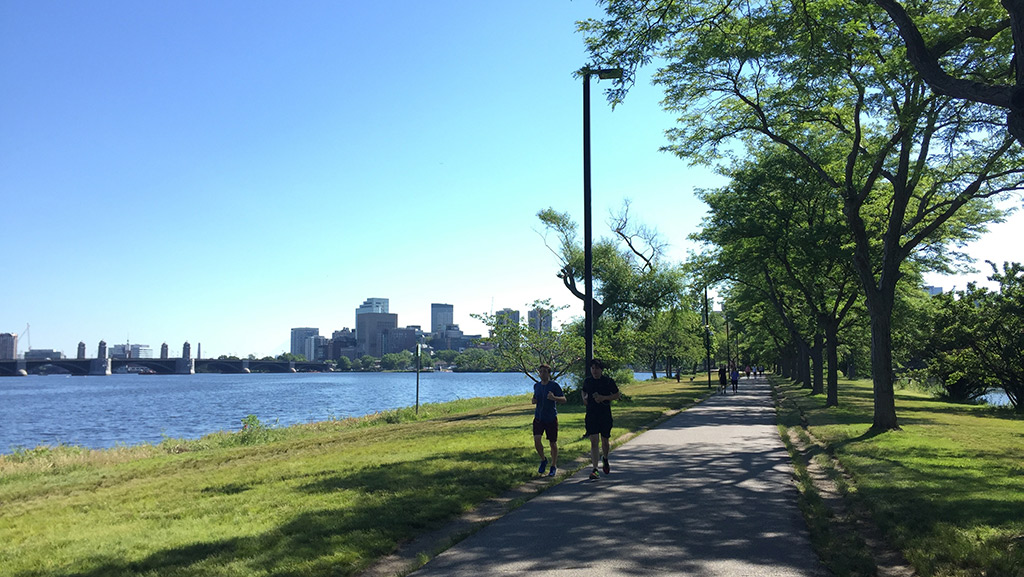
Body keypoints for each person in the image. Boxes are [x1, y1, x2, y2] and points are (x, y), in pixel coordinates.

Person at [582, 359, 620, 480]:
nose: (595, 371)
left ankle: (605, 458)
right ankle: (594, 469)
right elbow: (583, 391)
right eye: (592, 368)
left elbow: (617, 395)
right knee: (594, 441)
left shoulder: (608, 381)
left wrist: (604, 397)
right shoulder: (587, 381)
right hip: (591, 414)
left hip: (604, 415)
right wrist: (585, 398)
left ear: (601, 370)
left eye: (597, 368)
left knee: (604, 440)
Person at [532, 363, 566, 477]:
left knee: (552, 443)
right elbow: (535, 397)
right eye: (541, 372)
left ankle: (553, 465)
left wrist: (554, 398)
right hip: (538, 418)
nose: (542, 374)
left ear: (549, 373)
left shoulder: (554, 386)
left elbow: (564, 399)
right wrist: (534, 400)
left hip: (551, 418)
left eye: (545, 372)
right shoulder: (536, 386)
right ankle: (543, 460)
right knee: (537, 440)